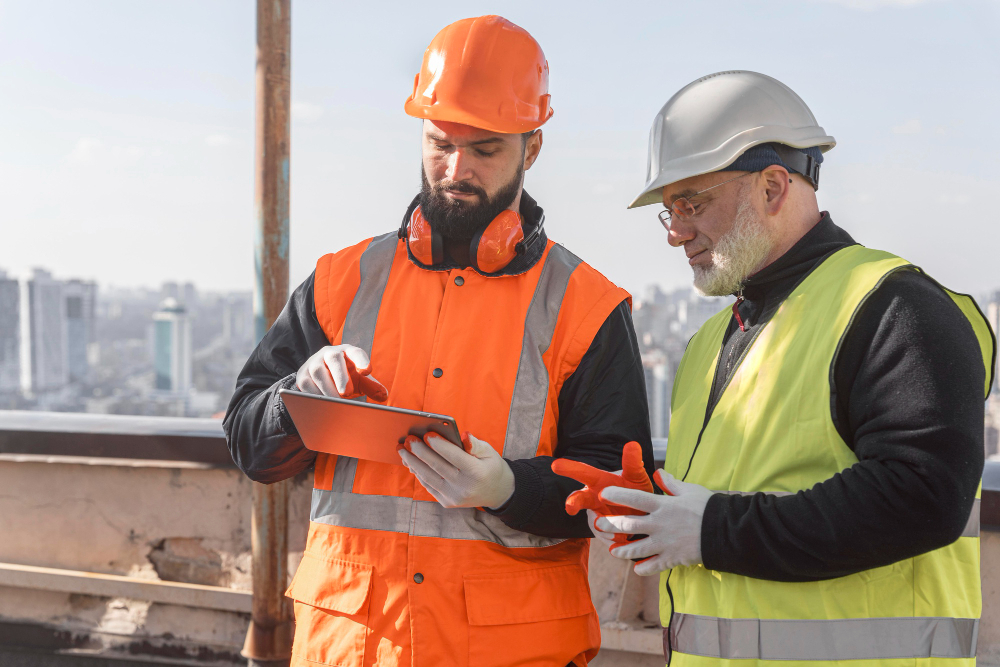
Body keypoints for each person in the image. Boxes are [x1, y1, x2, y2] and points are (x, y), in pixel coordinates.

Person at [222, 15, 653, 667]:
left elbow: (619, 491)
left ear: (531, 148)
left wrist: (508, 486)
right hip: (353, 647)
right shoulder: (341, 282)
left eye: (485, 150)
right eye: (439, 143)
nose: (457, 168)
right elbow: (250, 445)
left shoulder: (586, 305)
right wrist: (293, 399)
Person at [585, 71, 995, 666]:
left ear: (773, 187)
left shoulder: (895, 307)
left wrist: (711, 529)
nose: (675, 233)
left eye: (691, 203)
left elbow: (923, 494)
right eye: (668, 210)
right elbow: (747, 487)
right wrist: (654, 515)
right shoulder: (710, 342)